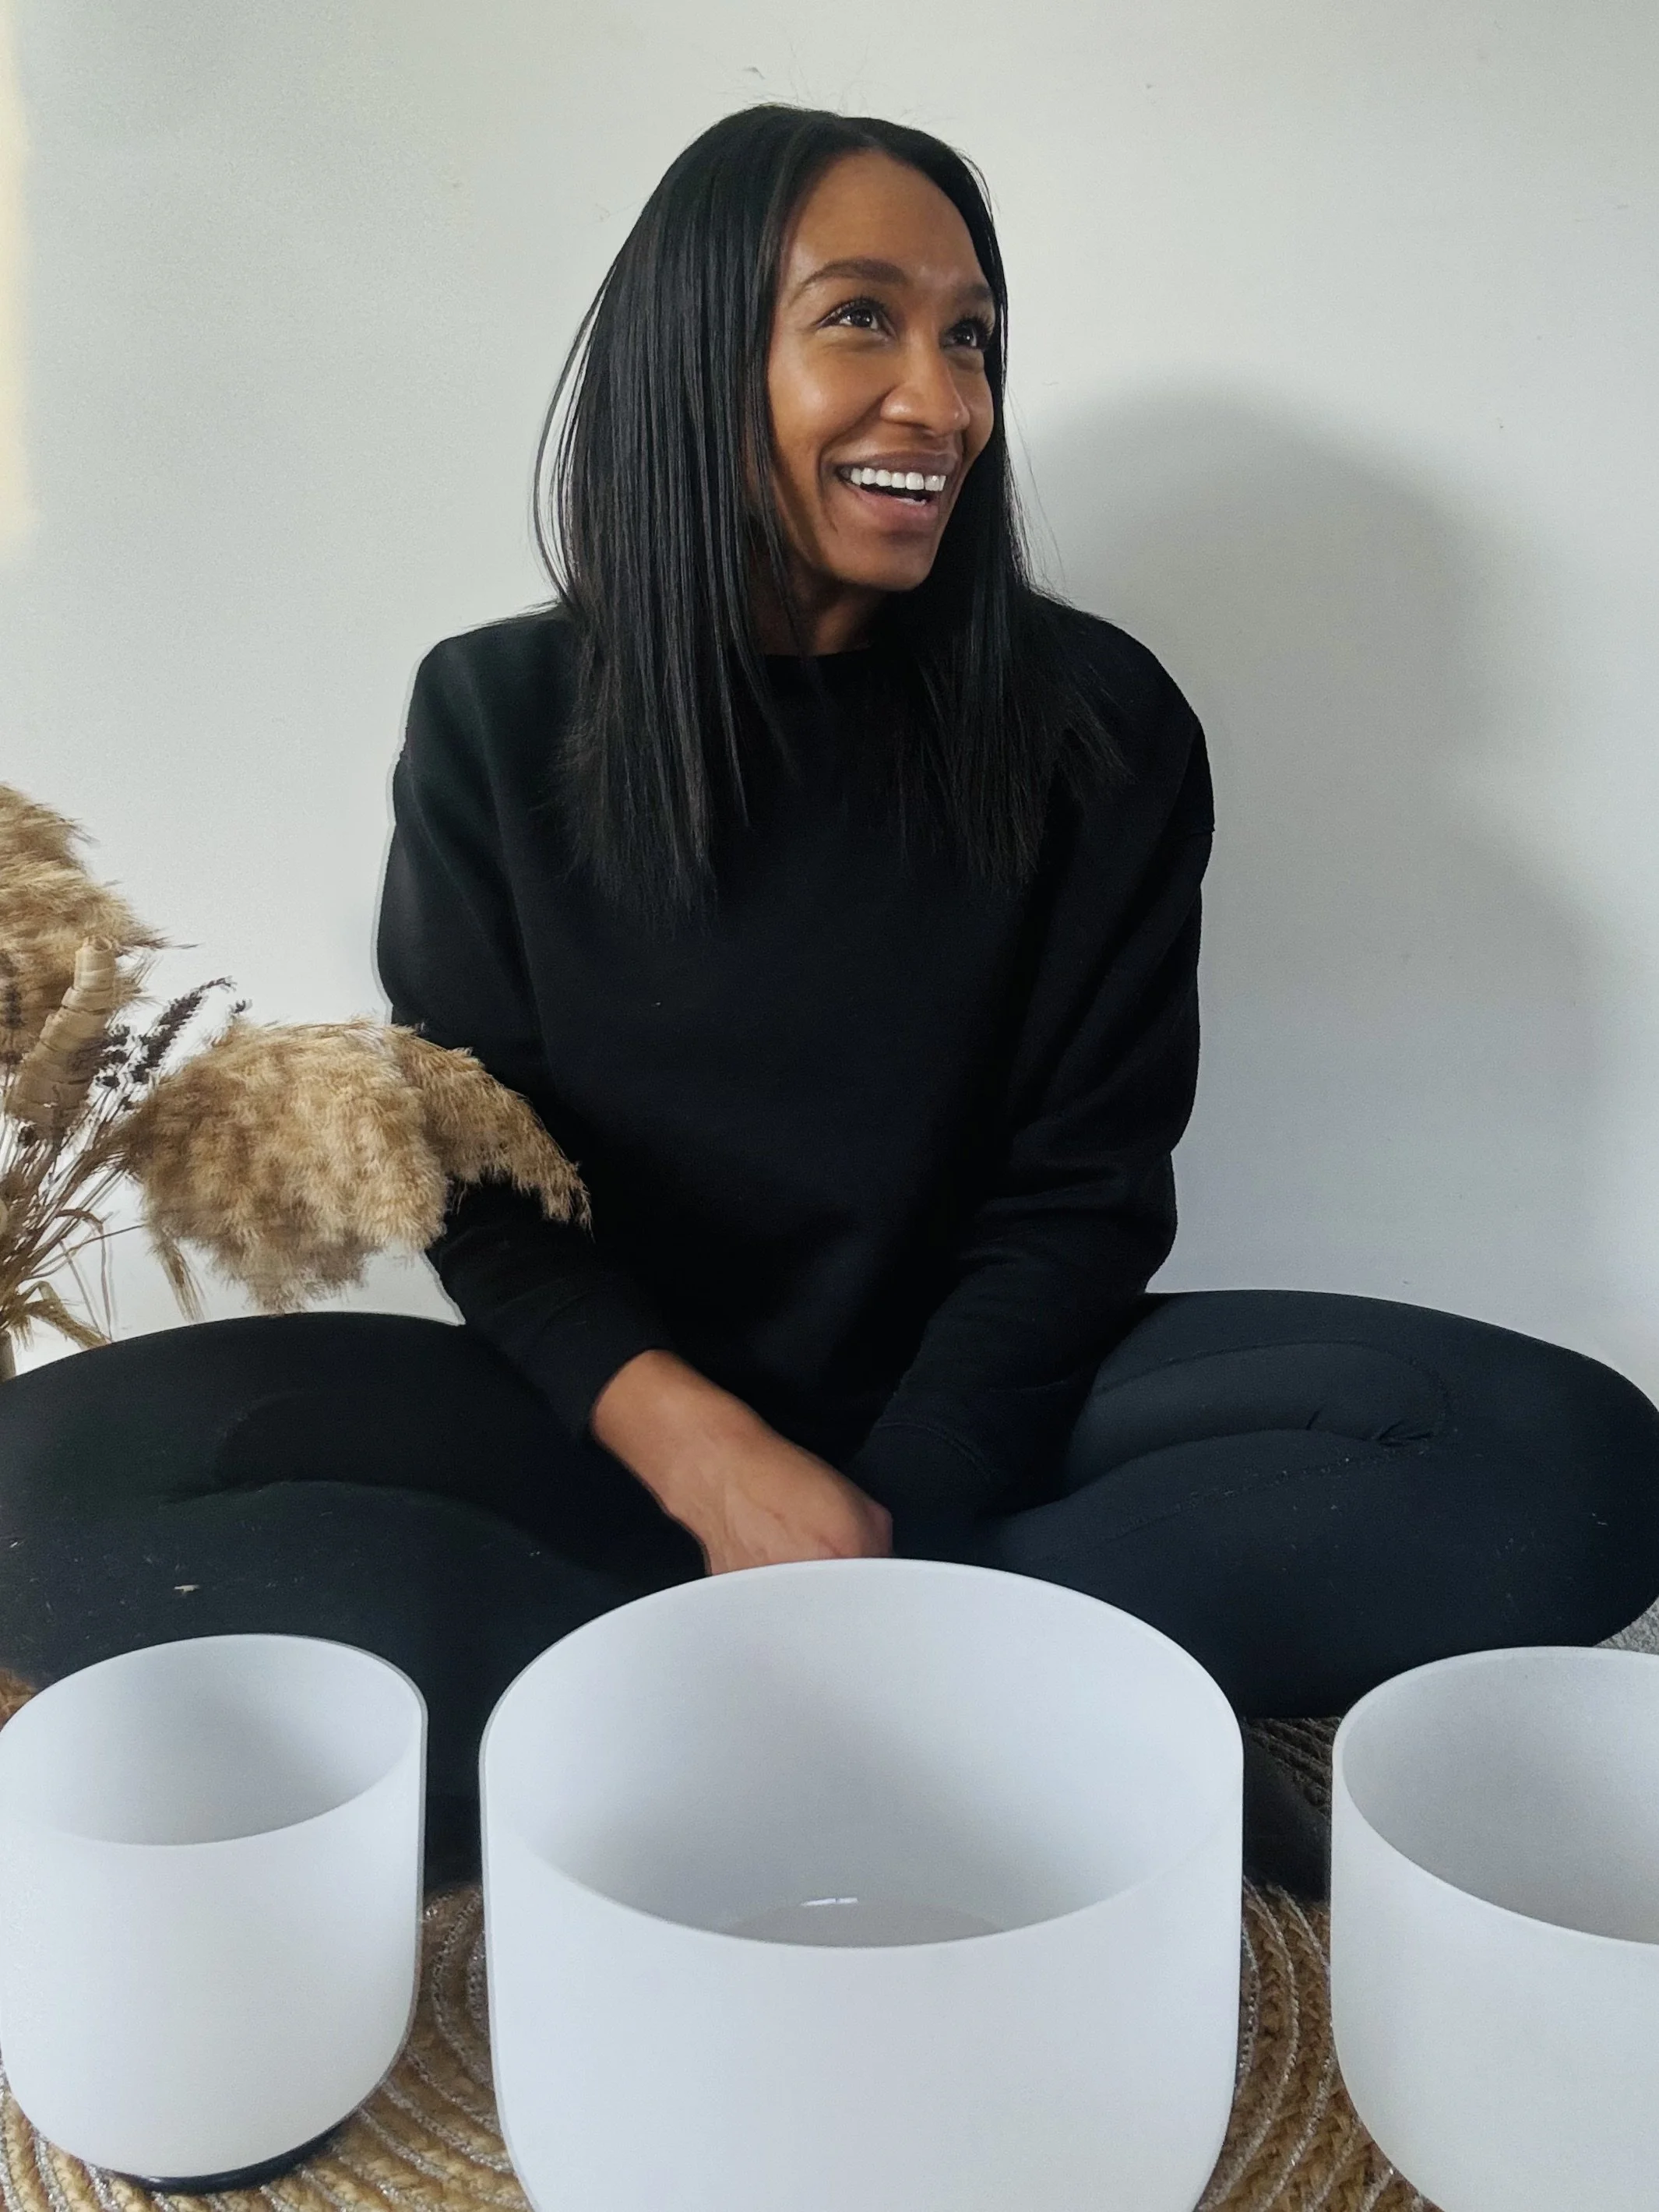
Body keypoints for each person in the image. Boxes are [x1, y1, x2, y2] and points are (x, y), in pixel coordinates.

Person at [4, 107, 1658, 1907]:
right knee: (52, 1474)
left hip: (1004, 1433)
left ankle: (671, 1700)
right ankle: (945, 1695)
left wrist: (891, 1523)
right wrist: (715, 1466)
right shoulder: (495, 717)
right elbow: (488, 1191)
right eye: (862, 317)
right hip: (615, 1438)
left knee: (1562, 1463)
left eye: (973, 337)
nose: (942, 403)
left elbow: (1079, 1196)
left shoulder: (1100, 728)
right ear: (700, 351)